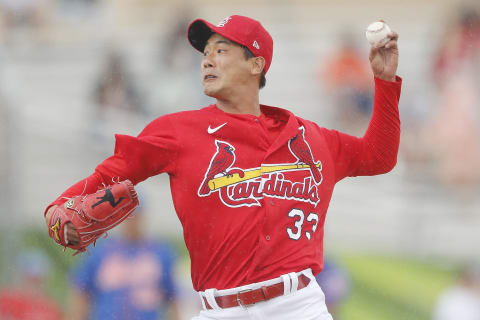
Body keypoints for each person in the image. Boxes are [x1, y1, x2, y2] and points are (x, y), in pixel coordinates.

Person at [44, 15, 401, 319]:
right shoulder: (177, 132)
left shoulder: (310, 137)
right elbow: (111, 174)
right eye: (206, 52)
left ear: (256, 64)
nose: (207, 60)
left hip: (298, 305)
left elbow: (378, 157)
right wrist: (57, 206)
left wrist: (385, 84)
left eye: (221, 50)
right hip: (220, 310)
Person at [68, 209, 180, 320]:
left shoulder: (160, 253)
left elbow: (172, 298)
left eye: (135, 216)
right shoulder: (100, 251)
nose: (132, 222)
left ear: (142, 218)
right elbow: (81, 294)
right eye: (128, 216)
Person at [0, 250, 62, 320]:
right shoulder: (5, 300)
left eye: (37, 281)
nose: (32, 286)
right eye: (28, 279)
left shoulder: (50, 309)